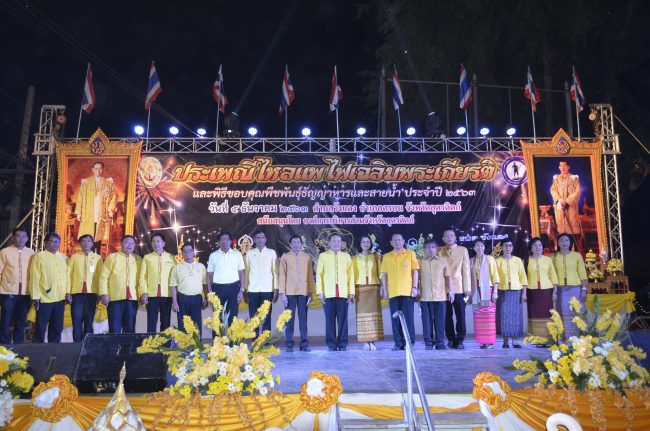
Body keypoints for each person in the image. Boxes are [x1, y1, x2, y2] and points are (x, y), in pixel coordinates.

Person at [380, 233, 419, 351]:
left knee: (408, 318)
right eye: (395, 240)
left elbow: (415, 271)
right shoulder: (387, 256)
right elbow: (384, 275)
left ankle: (409, 343)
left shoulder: (410, 254)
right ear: (391, 242)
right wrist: (384, 289)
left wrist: (415, 287)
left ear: (404, 241)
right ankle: (398, 343)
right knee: (395, 318)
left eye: (399, 240)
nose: (397, 242)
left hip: (407, 291)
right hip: (393, 292)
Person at [316, 233, 355, 352]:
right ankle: (331, 345)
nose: (336, 243)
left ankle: (343, 344)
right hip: (328, 294)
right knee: (330, 321)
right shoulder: (323, 256)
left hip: (343, 293)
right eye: (334, 241)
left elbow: (351, 275)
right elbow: (319, 275)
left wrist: (351, 292)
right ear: (329, 243)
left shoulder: (346, 256)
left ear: (342, 243)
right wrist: (320, 292)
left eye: (339, 241)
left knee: (343, 321)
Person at [29, 232, 69, 343]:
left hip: (60, 298)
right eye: (52, 241)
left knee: (57, 326)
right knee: (41, 326)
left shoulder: (63, 257)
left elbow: (67, 277)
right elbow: (35, 277)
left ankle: (54, 348)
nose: (55, 244)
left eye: (57, 241)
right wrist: (35, 296)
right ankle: (38, 348)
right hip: (44, 298)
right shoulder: (39, 256)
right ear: (46, 243)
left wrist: (67, 292)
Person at [99, 235, 142, 334]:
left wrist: (142, 293)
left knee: (130, 328)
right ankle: (114, 345)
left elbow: (142, 279)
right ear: (121, 244)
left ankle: (127, 345)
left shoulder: (138, 259)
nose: (129, 245)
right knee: (114, 328)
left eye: (132, 243)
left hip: (132, 299)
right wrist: (104, 294)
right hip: (115, 298)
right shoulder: (112, 257)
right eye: (127, 242)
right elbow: (103, 277)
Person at [279, 235, 315, 352]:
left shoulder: (307, 257)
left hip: (304, 292)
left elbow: (310, 276)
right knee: (289, 319)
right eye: (293, 242)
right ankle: (289, 344)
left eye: (298, 242)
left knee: (303, 320)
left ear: (301, 244)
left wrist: (311, 292)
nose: (296, 244)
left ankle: (304, 344)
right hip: (289, 292)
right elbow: (282, 275)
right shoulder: (285, 257)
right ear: (290, 244)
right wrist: (282, 293)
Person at [0, 227, 35, 343]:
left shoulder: (31, 253)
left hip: (25, 293)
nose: (21, 239)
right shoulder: (5, 252)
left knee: (21, 321)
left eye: (24, 236)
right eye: (18, 236)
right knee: (5, 320)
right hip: (8, 292)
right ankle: (4, 345)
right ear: (13, 237)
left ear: (27, 238)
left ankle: (18, 345)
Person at [438, 228, 471, 349]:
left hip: (459, 288)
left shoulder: (462, 250)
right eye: (447, 236)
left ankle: (460, 339)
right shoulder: (439, 251)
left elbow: (466, 270)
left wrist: (467, 289)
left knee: (460, 316)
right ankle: (451, 339)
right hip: (443, 289)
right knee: (447, 316)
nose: (449, 238)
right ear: (443, 239)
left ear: (455, 237)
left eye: (452, 235)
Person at [67, 234, 103, 342]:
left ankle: (87, 344)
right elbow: (68, 276)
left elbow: (101, 276)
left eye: (88, 241)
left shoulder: (97, 258)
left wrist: (100, 293)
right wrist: (67, 292)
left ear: (92, 243)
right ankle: (76, 345)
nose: (86, 243)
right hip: (77, 293)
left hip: (92, 294)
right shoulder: (74, 257)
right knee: (76, 320)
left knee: (88, 321)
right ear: (80, 243)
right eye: (83, 241)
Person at [418, 239, 452, 350]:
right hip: (425, 296)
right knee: (426, 322)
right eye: (428, 247)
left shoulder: (443, 260)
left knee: (440, 321)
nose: (431, 250)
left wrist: (451, 291)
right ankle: (428, 343)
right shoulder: (420, 262)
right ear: (424, 249)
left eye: (433, 247)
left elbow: (448, 277)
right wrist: (416, 289)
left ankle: (440, 343)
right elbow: (416, 278)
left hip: (440, 296)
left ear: (436, 248)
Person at [138, 233, 176, 333]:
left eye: (158, 241)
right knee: (151, 322)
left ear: (163, 243)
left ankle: (165, 342)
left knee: (165, 322)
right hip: (151, 295)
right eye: (153, 242)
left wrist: (175, 296)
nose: (156, 244)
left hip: (167, 295)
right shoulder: (147, 257)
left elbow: (175, 278)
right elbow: (142, 277)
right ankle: (151, 342)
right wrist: (144, 292)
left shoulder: (171, 257)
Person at [552, 233, 588, 337]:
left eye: (566, 240)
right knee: (562, 313)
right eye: (561, 241)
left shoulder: (577, 256)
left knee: (576, 312)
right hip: (560, 290)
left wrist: (584, 289)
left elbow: (582, 273)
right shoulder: (553, 257)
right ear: (558, 243)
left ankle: (579, 337)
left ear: (570, 242)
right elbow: (551, 273)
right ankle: (565, 338)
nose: (564, 243)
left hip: (575, 289)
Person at [207, 232, 245, 328]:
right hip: (218, 289)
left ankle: (232, 338)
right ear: (218, 242)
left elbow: (241, 273)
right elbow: (209, 274)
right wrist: (210, 291)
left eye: (226, 239)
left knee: (233, 318)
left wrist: (241, 290)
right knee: (217, 318)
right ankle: (218, 338)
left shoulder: (237, 254)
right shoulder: (213, 255)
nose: (224, 242)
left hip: (233, 288)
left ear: (230, 241)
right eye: (221, 240)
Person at [352, 235, 384, 350]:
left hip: (374, 288)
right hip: (360, 289)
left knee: (373, 315)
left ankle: (373, 341)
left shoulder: (376, 256)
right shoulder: (355, 258)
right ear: (360, 244)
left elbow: (381, 273)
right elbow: (352, 275)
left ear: (370, 244)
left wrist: (382, 287)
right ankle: (365, 341)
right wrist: (352, 291)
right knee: (363, 316)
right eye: (363, 242)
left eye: (368, 242)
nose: (366, 244)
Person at [495, 239, 528, 348]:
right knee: (504, 316)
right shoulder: (497, 261)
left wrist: (524, 293)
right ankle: (505, 341)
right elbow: (495, 277)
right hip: (502, 291)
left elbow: (523, 277)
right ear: (501, 248)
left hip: (516, 291)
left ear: (512, 247)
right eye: (505, 246)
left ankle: (515, 341)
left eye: (510, 245)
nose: (508, 248)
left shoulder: (518, 260)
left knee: (516, 316)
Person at [74, 161, 117, 244]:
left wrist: (110, 209)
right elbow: (80, 198)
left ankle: (97, 250)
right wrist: (79, 213)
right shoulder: (86, 182)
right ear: (93, 169)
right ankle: (89, 250)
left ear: (103, 170)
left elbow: (113, 196)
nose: (98, 170)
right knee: (89, 234)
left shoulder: (108, 183)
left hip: (101, 211)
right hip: (88, 211)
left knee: (98, 234)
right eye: (96, 168)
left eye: (100, 168)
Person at [245, 230, 278, 335]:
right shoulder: (249, 253)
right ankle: (254, 339)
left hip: (267, 290)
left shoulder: (271, 253)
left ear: (265, 239)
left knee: (266, 316)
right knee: (253, 316)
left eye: (262, 237)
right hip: (252, 290)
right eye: (258, 238)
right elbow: (247, 272)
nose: (260, 240)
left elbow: (275, 271)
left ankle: (265, 340)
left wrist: (276, 288)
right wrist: (245, 289)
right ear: (254, 240)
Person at [170, 243, 208, 336]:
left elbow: (205, 284)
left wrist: (206, 298)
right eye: (185, 251)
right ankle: (184, 345)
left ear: (193, 252)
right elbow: (173, 286)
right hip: (182, 299)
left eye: (190, 250)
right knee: (183, 325)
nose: (187, 252)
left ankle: (197, 345)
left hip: (197, 299)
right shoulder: (177, 268)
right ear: (182, 253)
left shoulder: (201, 266)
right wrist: (175, 302)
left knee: (196, 325)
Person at [470, 240, 500, 349]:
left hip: (488, 290)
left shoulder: (490, 259)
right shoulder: (471, 261)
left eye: (482, 246)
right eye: (477, 246)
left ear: (484, 248)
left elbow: (495, 276)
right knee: (478, 317)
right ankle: (482, 342)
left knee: (489, 317)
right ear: (474, 248)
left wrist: (495, 292)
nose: (480, 248)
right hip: (476, 291)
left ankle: (490, 342)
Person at [526, 237, 558, 338]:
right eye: (535, 245)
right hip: (532, 291)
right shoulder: (526, 260)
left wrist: (555, 291)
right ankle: (536, 337)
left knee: (547, 314)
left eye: (539, 245)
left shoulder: (548, 260)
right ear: (531, 247)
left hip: (546, 291)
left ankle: (547, 337)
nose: (538, 247)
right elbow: (523, 277)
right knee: (534, 314)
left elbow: (553, 275)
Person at [550, 160, 582, 239]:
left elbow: (577, 192)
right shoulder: (556, 178)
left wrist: (567, 201)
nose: (562, 167)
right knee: (561, 233)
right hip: (560, 207)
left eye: (564, 165)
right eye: (561, 166)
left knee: (572, 234)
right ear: (559, 167)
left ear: (568, 167)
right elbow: (553, 190)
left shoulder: (574, 178)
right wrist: (559, 200)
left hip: (571, 208)